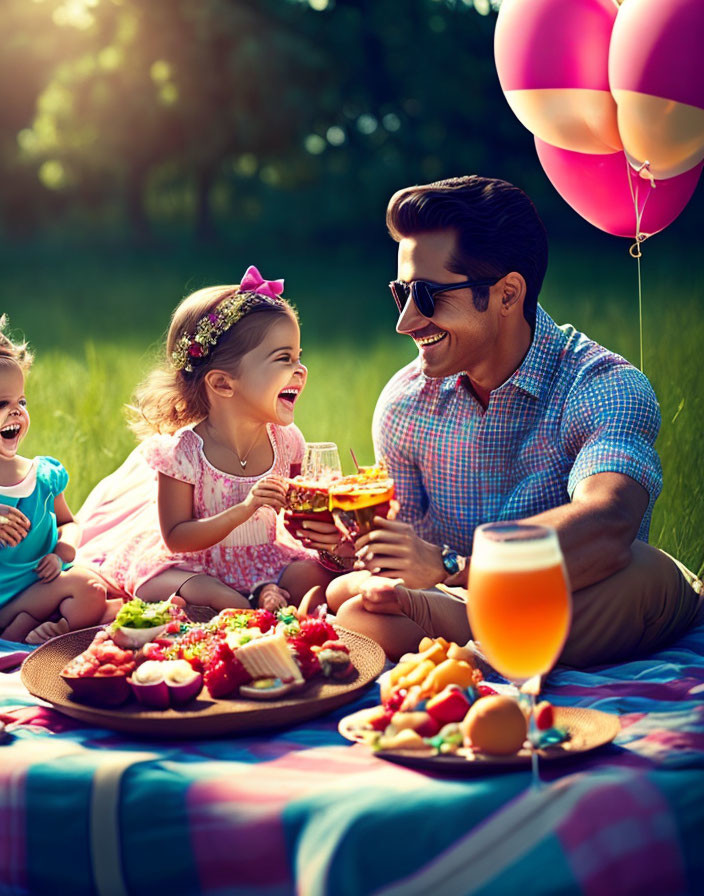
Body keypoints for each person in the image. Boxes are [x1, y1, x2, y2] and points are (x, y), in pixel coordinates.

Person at [331, 175, 702, 662]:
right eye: (402, 294)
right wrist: (349, 548)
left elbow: (610, 523)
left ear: (507, 295)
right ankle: (495, 642)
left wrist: (452, 566)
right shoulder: (404, 405)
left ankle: (474, 639)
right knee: (356, 602)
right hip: (472, 599)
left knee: (644, 571)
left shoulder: (603, 385)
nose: (405, 322)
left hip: (585, 591)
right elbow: (404, 559)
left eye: (428, 295)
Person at [76, 266, 335, 615]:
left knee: (320, 579)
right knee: (206, 593)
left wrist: (319, 513)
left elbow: (294, 517)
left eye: (298, 356)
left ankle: (264, 593)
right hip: (195, 564)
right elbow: (176, 536)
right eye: (283, 359)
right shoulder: (182, 453)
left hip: (263, 556)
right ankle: (250, 599)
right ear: (223, 384)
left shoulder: (287, 441)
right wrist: (245, 509)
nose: (300, 369)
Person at [0, 317, 118, 643]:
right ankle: (36, 630)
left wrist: (61, 553)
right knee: (92, 594)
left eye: (20, 402)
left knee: (93, 588)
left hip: (36, 589)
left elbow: (69, 522)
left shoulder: (44, 477)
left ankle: (39, 629)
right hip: (3, 600)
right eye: (1, 404)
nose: (15, 412)